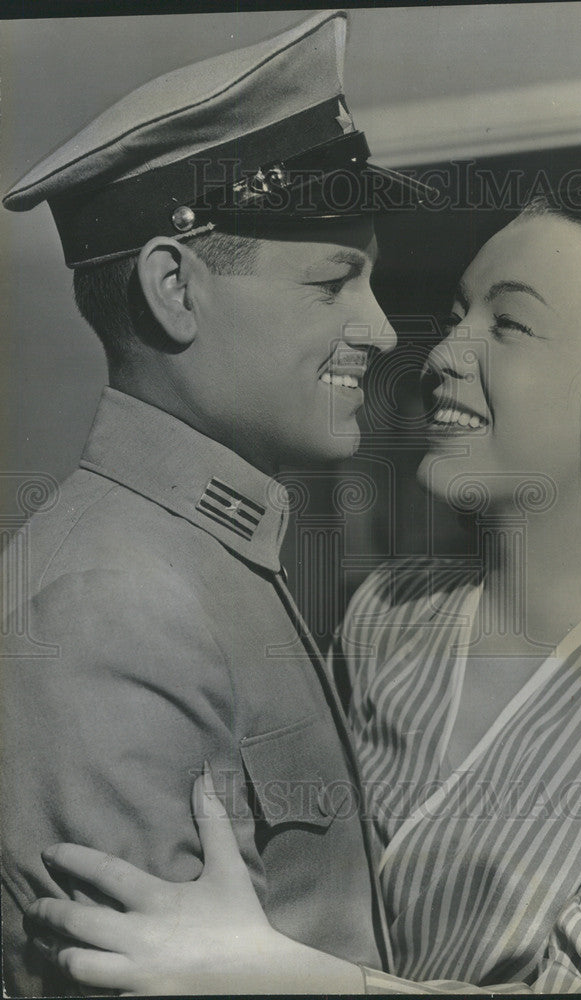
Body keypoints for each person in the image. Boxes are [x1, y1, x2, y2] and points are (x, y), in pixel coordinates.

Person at [25, 203, 581, 993]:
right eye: (454, 316)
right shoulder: (392, 611)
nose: (438, 355)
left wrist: (281, 979)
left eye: (508, 325)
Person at [0, 10, 435, 995]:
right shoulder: (114, 604)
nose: (379, 328)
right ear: (173, 288)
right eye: (335, 282)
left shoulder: (204, 553)